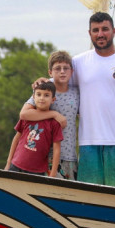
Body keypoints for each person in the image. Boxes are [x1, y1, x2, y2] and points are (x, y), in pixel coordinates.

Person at [34, 12, 115, 188]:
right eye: (95, 30)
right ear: (89, 33)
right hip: (88, 142)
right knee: (90, 196)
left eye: (105, 29)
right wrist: (43, 82)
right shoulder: (79, 61)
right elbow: (61, 83)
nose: (100, 34)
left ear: (113, 31)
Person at [19, 51, 79, 180]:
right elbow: (24, 114)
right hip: (47, 156)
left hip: (70, 156)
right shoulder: (45, 91)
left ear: (71, 72)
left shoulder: (76, 92)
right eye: (57, 68)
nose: (62, 71)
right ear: (50, 72)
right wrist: (54, 114)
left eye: (65, 68)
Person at [4, 81, 63, 177]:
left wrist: (52, 175)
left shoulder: (54, 123)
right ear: (34, 97)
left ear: (53, 99)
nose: (42, 98)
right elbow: (16, 139)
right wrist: (8, 162)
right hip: (15, 165)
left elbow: (57, 150)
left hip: (37, 171)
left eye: (46, 95)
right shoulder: (27, 117)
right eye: (38, 94)